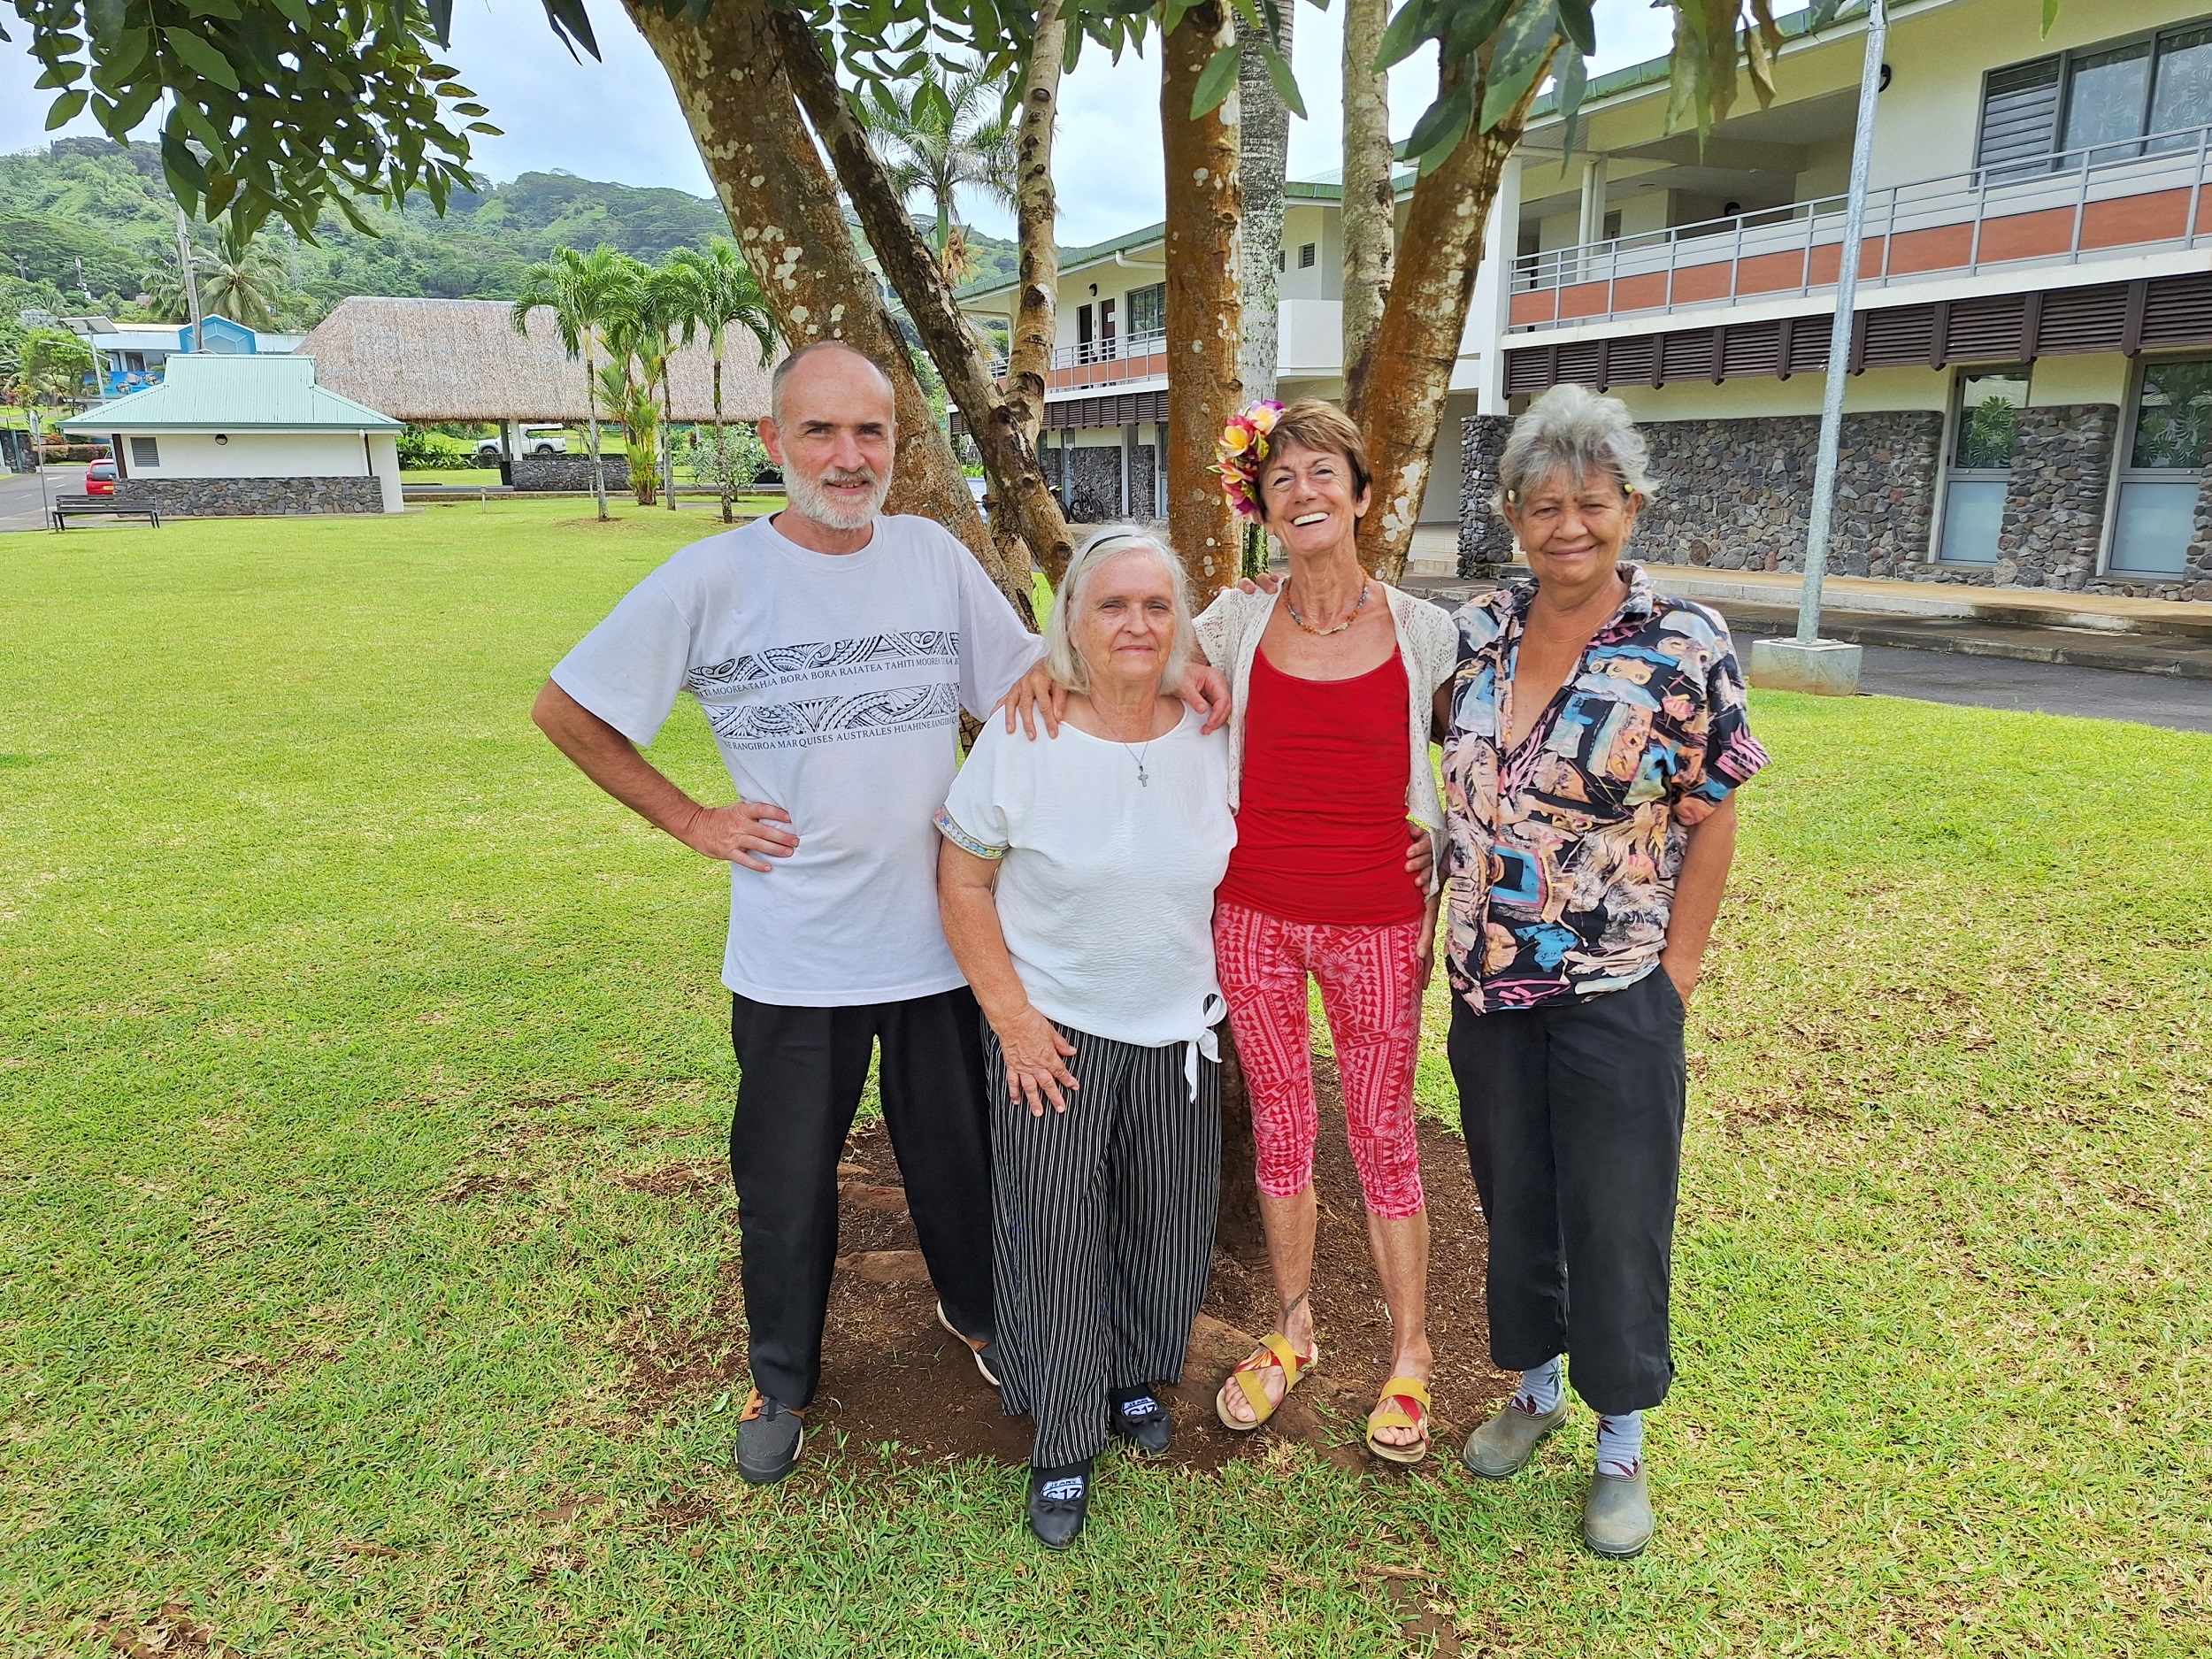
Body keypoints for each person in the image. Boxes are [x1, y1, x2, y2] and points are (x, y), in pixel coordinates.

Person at [530, 342, 1228, 1486]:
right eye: (821, 431)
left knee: (960, 1168)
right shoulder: (711, 581)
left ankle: (986, 1324)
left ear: (897, 449)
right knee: (786, 1182)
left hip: (939, 949)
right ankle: (783, 1374)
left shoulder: (930, 556)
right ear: (774, 442)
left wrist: (1181, 659)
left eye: (872, 434)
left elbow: (1039, 679)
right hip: (795, 952)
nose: (849, 457)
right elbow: (569, 707)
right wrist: (691, 819)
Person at [1440, 383, 1769, 1557]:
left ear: (1630, 504)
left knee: (1616, 1213)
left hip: (1618, 988)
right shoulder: (1475, 630)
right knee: (1514, 1195)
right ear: (1515, 516)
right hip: (1486, 988)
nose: (1566, 525)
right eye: (1542, 505)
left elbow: (1713, 815)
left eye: (1589, 502)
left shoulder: (1684, 643)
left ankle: (1620, 1445)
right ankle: (1533, 1389)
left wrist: (1674, 974)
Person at [936, 527, 1234, 1548]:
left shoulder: (1210, 728)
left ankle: (1125, 1378)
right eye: (1112, 606)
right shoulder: (1025, 737)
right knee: (1055, 1234)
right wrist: (1013, 1021)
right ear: (1071, 621)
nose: (1136, 626)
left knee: (1162, 1220)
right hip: (1052, 1034)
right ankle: (1063, 1438)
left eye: (1157, 606)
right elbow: (962, 878)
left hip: (1179, 1028)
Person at [1196, 399, 1460, 1464]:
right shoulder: (1231, 620)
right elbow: (1131, 657)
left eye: (1322, 473)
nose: (1302, 491)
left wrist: (1438, 852)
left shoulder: (1424, 631)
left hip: (1376, 921)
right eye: (1281, 479)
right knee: (1283, 1125)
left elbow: (1477, 760)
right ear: (1260, 508)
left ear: (1360, 493)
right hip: (1252, 912)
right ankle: (1293, 1327)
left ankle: (1411, 1355)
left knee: (1384, 1133)